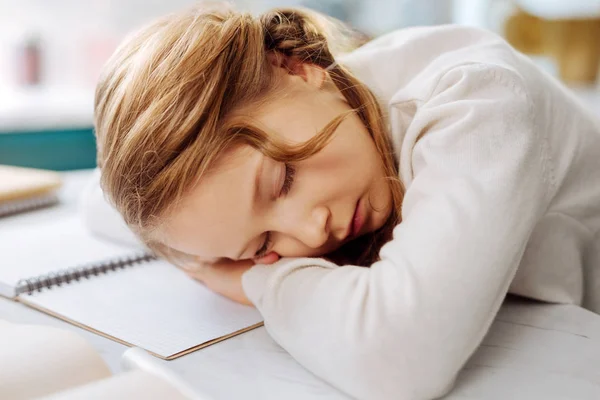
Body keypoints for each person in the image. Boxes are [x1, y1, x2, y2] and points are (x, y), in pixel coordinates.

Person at [85, 3, 600, 399]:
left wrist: (253, 278)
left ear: (294, 67)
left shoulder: (478, 100)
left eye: (284, 180)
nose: (311, 235)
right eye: (264, 242)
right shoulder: (316, 112)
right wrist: (198, 252)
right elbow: (101, 203)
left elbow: (400, 355)